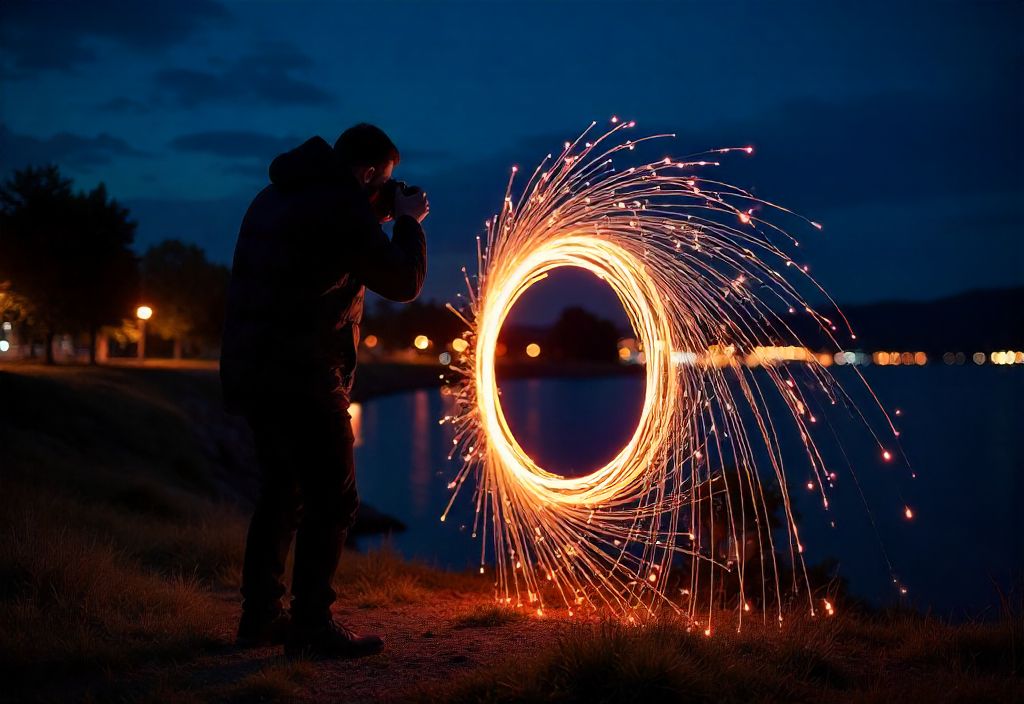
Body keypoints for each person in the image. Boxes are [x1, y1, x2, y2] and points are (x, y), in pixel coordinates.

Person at [220, 123, 428, 659]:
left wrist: (373, 214)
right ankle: (311, 626)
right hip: (306, 376)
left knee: (280, 494)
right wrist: (408, 222)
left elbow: (318, 256)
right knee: (334, 501)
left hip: (254, 371)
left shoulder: (273, 197)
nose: (388, 188)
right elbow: (403, 281)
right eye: (386, 179)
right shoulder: (341, 206)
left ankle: (259, 620)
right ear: (368, 172)